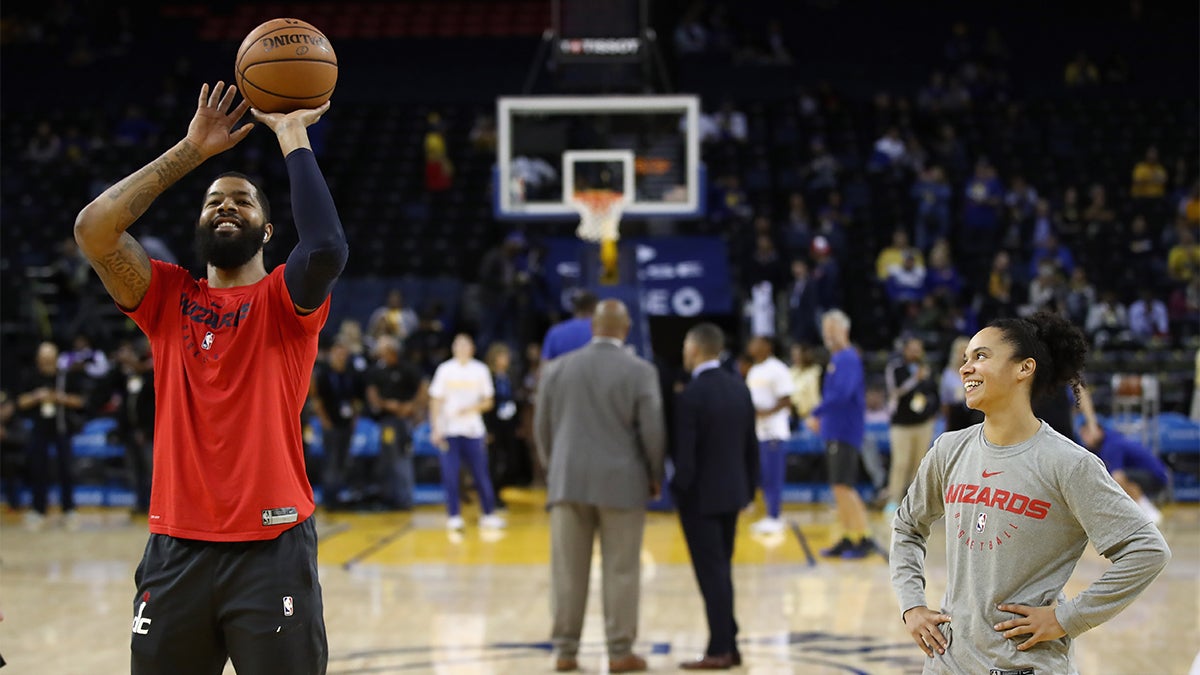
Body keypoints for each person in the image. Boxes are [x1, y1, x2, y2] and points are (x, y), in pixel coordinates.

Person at [73, 82, 347, 672]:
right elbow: (95, 229)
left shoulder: (283, 300)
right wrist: (193, 151)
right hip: (176, 549)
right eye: (213, 201)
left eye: (243, 202)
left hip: (271, 548)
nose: (226, 206)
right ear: (199, 224)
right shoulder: (166, 296)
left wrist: (292, 135)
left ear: (267, 232)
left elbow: (325, 246)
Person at [890, 311, 1171, 672]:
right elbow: (907, 527)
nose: (966, 368)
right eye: (965, 359)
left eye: (981, 356)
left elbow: (1147, 550)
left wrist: (1068, 618)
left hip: (1025, 666)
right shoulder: (948, 449)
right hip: (948, 664)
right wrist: (912, 605)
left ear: (1024, 368)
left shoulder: (1068, 463)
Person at [533, 299, 665, 674]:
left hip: (567, 482)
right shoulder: (640, 371)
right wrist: (654, 474)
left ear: (593, 328)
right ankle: (620, 651)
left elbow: (541, 430)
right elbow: (653, 431)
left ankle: (565, 651)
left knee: (567, 571)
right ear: (625, 329)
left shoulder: (556, 370)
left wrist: (554, 468)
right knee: (622, 570)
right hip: (623, 484)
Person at [671, 323, 758, 670]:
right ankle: (729, 643)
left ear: (693, 351)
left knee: (712, 575)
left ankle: (720, 648)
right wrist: (748, 491)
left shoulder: (691, 395)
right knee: (721, 571)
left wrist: (677, 492)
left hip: (700, 500)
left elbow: (686, 457)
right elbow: (750, 448)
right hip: (733, 495)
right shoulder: (739, 389)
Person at [805, 310, 876, 559]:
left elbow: (842, 394)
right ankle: (848, 536)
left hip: (845, 430)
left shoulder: (847, 358)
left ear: (844, 329)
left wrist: (816, 412)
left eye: (831, 328)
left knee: (844, 486)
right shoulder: (838, 359)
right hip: (835, 430)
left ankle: (864, 537)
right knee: (838, 487)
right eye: (825, 328)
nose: (827, 333)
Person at [428, 333, 505, 530]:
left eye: (465, 345)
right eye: (458, 345)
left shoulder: (480, 370)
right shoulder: (445, 370)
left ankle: (488, 513)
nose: (461, 348)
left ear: (472, 348)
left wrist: (470, 409)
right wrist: (436, 428)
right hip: (449, 431)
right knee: (450, 474)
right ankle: (454, 515)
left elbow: (488, 401)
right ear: (453, 348)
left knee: (480, 473)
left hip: (473, 430)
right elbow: (435, 400)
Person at [16, 341, 86, 531]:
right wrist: (36, 397)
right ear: (38, 359)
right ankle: (38, 510)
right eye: (43, 357)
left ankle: (69, 510)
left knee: (66, 469)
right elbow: (20, 402)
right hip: (39, 429)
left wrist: (60, 398)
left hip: (61, 428)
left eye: (50, 357)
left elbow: (80, 401)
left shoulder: (65, 377)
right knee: (38, 469)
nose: (47, 361)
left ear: (56, 359)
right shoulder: (30, 376)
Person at [365, 335, 426, 511]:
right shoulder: (378, 371)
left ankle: (404, 499)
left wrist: (412, 407)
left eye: (383, 351)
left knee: (403, 459)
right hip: (387, 421)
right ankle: (389, 498)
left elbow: (423, 388)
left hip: (405, 421)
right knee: (387, 460)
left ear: (392, 352)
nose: (380, 355)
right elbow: (372, 394)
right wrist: (388, 405)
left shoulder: (407, 368)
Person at [883, 337, 940, 515]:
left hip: (922, 424)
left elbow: (933, 392)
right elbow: (895, 391)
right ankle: (893, 500)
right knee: (900, 462)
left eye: (918, 348)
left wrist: (932, 411)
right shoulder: (895, 368)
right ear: (905, 349)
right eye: (912, 348)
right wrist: (915, 379)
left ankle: (914, 502)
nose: (915, 352)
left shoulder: (928, 369)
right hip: (901, 424)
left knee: (919, 464)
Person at [744, 336, 795, 535]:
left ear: (767, 346)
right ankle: (769, 514)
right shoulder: (755, 370)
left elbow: (787, 399)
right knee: (764, 476)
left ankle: (775, 516)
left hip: (774, 431)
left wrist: (766, 412)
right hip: (758, 432)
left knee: (774, 475)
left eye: (755, 342)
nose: (751, 346)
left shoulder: (777, 369)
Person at [310, 338, 366, 510]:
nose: (341, 356)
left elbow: (356, 399)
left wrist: (354, 419)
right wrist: (324, 420)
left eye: (344, 353)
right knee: (332, 461)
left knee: (343, 460)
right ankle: (329, 498)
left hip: (346, 424)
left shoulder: (351, 373)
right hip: (330, 423)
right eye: (338, 353)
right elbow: (316, 398)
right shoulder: (324, 373)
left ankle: (340, 496)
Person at [1079, 424, 1169, 525]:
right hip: (1145, 475)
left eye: (1086, 433)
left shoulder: (1112, 444)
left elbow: (1116, 475)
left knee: (1118, 479)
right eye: (1082, 435)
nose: (1084, 438)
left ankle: (1149, 512)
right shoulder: (1101, 445)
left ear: (1098, 431)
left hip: (1156, 477)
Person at [483, 342, 524, 508]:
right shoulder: (487, 377)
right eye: (503, 356)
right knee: (494, 461)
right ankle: (492, 496)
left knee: (510, 461)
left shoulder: (510, 376)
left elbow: (515, 399)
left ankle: (499, 491)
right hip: (494, 425)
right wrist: (487, 429)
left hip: (509, 425)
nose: (506, 359)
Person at [940, 335, 983, 433]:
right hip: (955, 415)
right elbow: (944, 400)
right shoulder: (948, 373)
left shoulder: (978, 371)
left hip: (975, 413)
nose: (965, 356)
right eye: (962, 353)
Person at [541, 288, 597, 361]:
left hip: (563, 372)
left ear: (574, 307)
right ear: (594, 306)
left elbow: (545, 366)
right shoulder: (601, 330)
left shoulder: (555, 331)